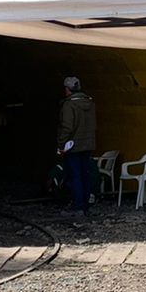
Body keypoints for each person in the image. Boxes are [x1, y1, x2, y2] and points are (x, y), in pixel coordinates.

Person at [56, 76, 97, 216]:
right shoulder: (90, 103)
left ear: (67, 90)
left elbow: (67, 127)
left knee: (75, 176)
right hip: (88, 144)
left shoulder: (69, 105)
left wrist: (61, 144)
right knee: (85, 174)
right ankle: (85, 205)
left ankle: (78, 206)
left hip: (73, 146)